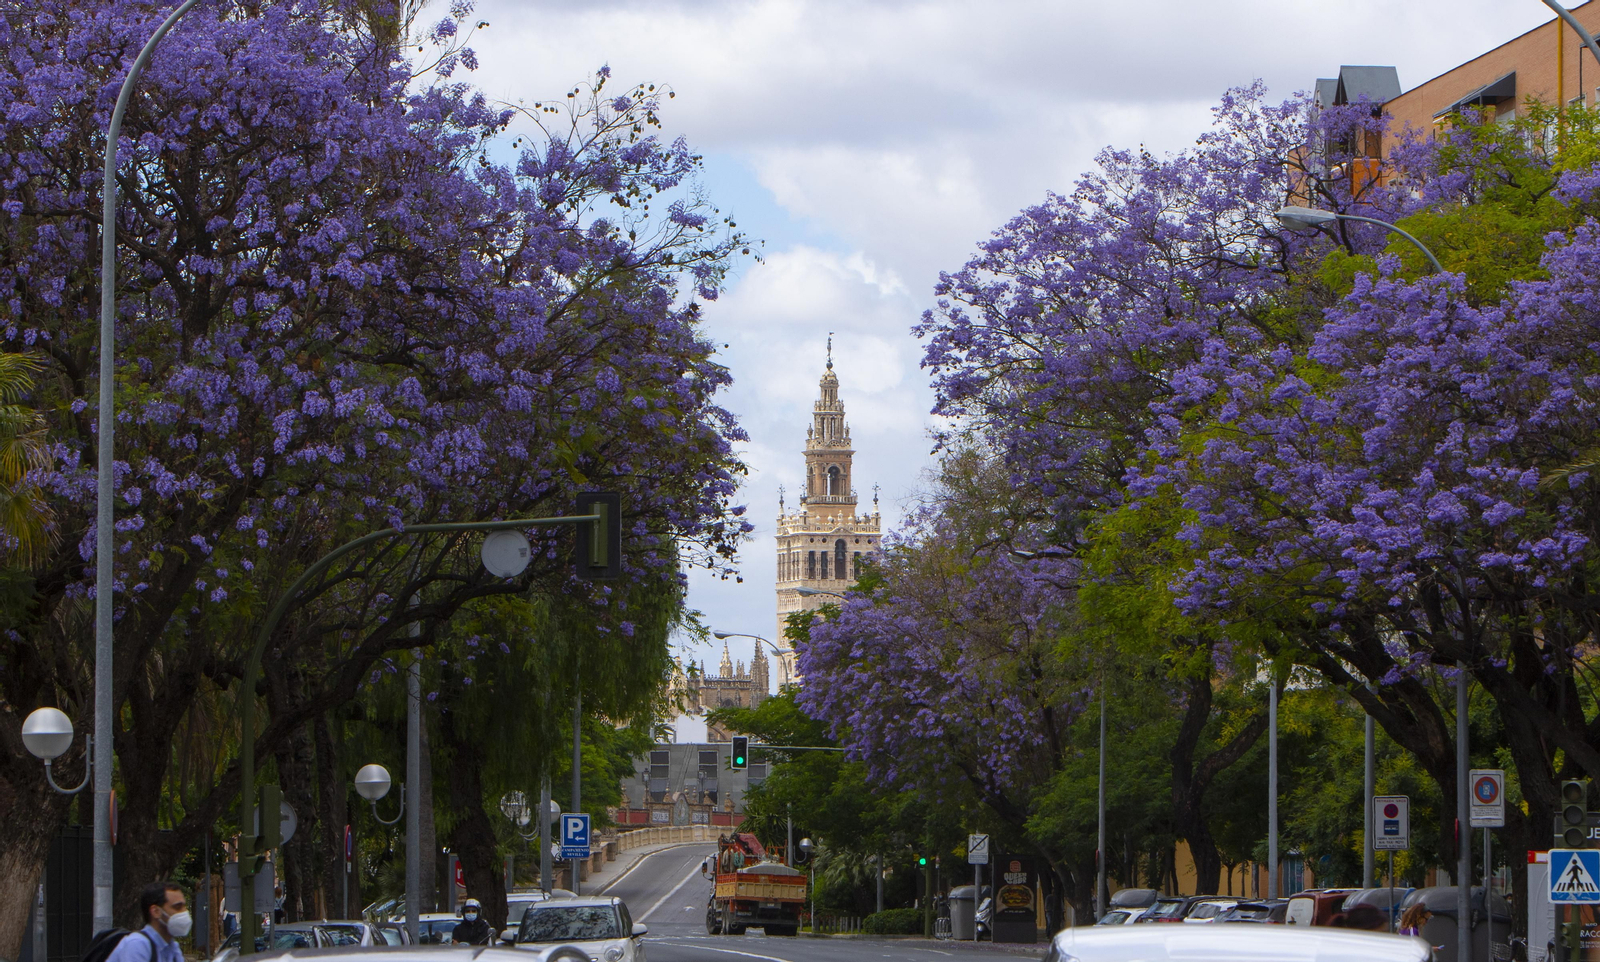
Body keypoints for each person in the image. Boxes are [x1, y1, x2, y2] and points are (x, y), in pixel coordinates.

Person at [106, 882, 190, 962]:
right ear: (156, 911)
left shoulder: (172, 947)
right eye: (177, 907)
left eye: (184, 906)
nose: (184, 912)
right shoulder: (137, 944)